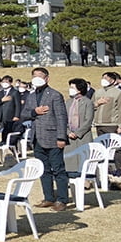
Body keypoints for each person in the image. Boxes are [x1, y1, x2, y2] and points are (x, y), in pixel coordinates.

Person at [20, 67, 68, 211]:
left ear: (47, 78)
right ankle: (48, 197)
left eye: (40, 76)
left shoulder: (55, 95)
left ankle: (62, 199)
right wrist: (35, 112)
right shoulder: (32, 95)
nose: (37, 78)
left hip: (53, 137)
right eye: (34, 76)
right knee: (43, 169)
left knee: (58, 169)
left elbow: (61, 117)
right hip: (37, 138)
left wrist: (61, 137)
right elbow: (24, 114)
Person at [66, 78, 95, 150]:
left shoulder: (88, 102)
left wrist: (77, 133)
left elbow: (88, 121)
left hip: (83, 136)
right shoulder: (68, 102)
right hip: (69, 137)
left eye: (72, 87)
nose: (70, 89)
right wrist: (68, 132)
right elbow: (64, 119)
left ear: (79, 89)